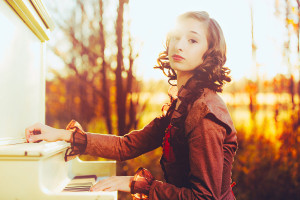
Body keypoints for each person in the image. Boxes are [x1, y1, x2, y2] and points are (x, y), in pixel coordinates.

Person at [26, 11, 238, 200]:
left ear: (209, 52)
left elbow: (205, 197)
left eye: (192, 40)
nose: (179, 45)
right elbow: (126, 146)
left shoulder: (204, 112)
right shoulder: (183, 104)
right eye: (176, 37)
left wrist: (134, 184)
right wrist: (63, 135)